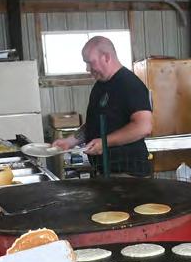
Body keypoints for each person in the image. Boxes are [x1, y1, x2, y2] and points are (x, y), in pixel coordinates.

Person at [51, 36, 153, 176]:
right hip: (104, 172)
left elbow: (143, 127)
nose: (87, 68)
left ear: (106, 57)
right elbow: (94, 123)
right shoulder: (100, 86)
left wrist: (104, 143)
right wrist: (69, 141)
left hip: (128, 175)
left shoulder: (130, 84)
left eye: (90, 62)